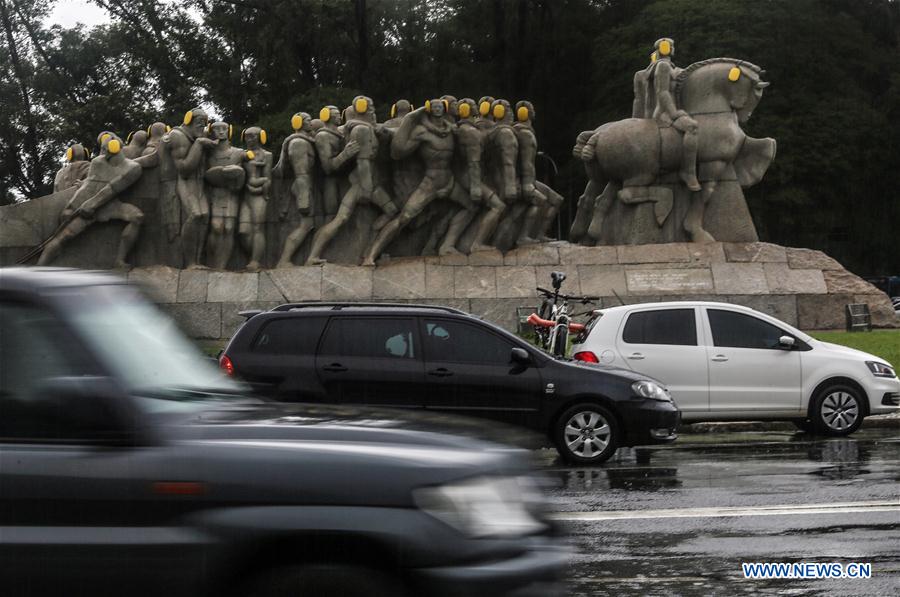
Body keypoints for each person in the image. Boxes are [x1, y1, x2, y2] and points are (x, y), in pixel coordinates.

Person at [39, 134, 144, 268]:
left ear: (115, 148)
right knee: (64, 236)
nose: (103, 153)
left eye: (105, 150)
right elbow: (87, 186)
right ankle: (40, 267)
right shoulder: (98, 162)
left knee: (137, 217)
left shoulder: (133, 168)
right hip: (88, 205)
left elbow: (111, 190)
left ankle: (119, 261)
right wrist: (70, 207)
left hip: (108, 204)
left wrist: (92, 205)